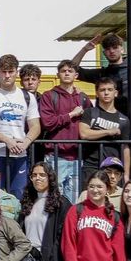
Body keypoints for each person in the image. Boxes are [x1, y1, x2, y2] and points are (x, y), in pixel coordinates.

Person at [0, 55, 39, 197]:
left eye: (10, 72)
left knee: (19, 195)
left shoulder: (28, 97)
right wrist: (7, 140)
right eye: (3, 72)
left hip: (19, 154)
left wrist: (26, 142)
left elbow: (35, 125)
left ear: (16, 73)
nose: (7, 76)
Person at [71, 32, 131, 115]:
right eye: (108, 49)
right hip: (104, 122)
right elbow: (71, 69)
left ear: (122, 49)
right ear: (104, 53)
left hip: (128, 122)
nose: (112, 51)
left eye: (115, 47)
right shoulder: (101, 74)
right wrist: (84, 49)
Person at [38, 60, 86, 201]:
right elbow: (48, 122)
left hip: (77, 157)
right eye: (63, 71)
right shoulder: (49, 96)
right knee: (53, 200)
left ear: (76, 75)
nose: (66, 73)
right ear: (58, 74)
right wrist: (71, 115)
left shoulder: (82, 98)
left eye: (70, 71)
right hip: (55, 156)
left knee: (73, 201)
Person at [78, 78, 131, 184]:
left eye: (110, 90)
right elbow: (84, 133)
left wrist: (126, 175)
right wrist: (108, 132)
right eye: (102, 90)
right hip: (91, 166)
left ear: (115, 93)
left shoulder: (124, 119)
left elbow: (126, 148)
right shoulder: (89, 112)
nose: (106, 93)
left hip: (113, 168)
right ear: (97, 93)